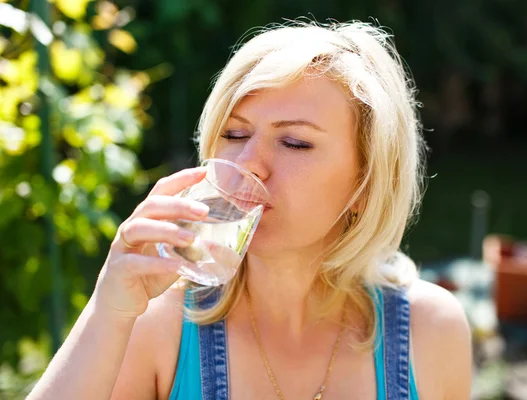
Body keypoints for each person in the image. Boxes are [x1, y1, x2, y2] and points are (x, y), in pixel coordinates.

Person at [28, 20, 472, 400]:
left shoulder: (429, 332)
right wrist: (109, 310)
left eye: (295, 142)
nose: (247, 164)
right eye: (235, 135)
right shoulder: (157, 323)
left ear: (366, 184)